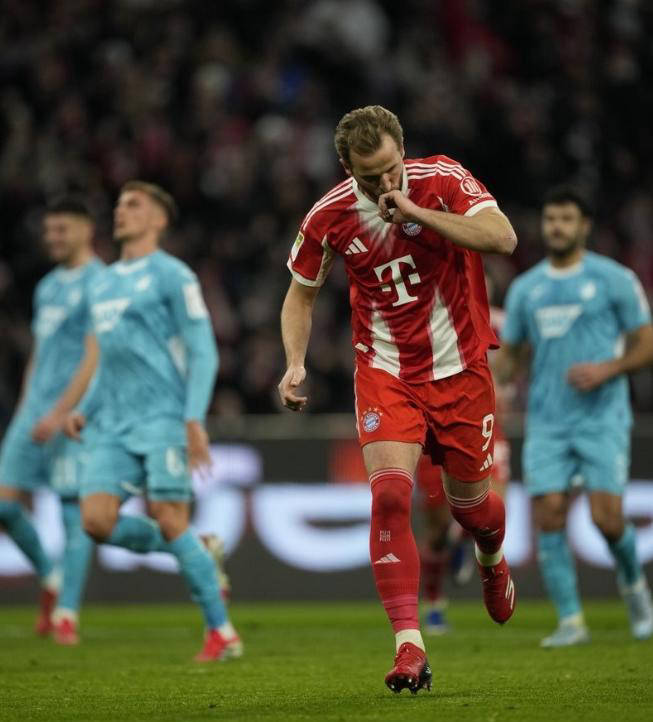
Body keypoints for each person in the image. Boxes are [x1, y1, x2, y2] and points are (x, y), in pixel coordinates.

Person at [278, 105, 517, 694]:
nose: (383, 182)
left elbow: (503, 238)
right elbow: (300, 295)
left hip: (461, 370)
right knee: (388, 496)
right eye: (369, 177)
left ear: (403, 152)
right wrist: (294, 363)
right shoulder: (329, 215)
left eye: (390, 169)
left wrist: (415, 212)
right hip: (385, 370)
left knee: (471, 510)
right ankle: (409, 646)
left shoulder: (442, 179)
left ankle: (490, 556)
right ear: (347, 169)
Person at [65, 181, 241, 661]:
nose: (121, 211)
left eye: (134, 204)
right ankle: (199, 548)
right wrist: (85, 408)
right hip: (112, 425)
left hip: (163, 418)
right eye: (119, 204)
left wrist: (193, 419)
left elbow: (203, 351)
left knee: (167, 517)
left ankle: (222, 632)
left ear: (159, 220)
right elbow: (109, 358)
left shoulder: (173, 275)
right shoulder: (101, 283)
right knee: (95, 521)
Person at [499, 186, 653, 647]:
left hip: (602, 418)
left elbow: (646, 344)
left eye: (566, 219)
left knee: (608, 519)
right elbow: (510, 358)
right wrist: (484, 382)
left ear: (584, 226)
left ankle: (636, 593)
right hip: (547, 421)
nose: (557, 227)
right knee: (549, 515)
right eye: (551, 219)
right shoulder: (526, 289)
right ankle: (570, 621)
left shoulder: (615, 279)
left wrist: (609, 368)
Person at [0, 198, 103, 644]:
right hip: (34, 411)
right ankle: (51, 575)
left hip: (73, 416)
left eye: (61, 229)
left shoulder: (101, 282)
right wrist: (29, 405)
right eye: (49, 231)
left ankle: (66, 613)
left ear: (85, 229)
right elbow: (39, 354)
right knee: (4, 505)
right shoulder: (47, 286)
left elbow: (94, 357)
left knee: (71, 512)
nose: (52, 238)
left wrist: (61, 412)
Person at [419, 296, 513, 635]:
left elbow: (518, 360)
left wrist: (504, 383)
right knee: (436, 531)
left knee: (491, 506)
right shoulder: (421, 313)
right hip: (434, 422)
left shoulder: (503, 322)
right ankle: (434, 605)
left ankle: (464, 539)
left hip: (486, 421)